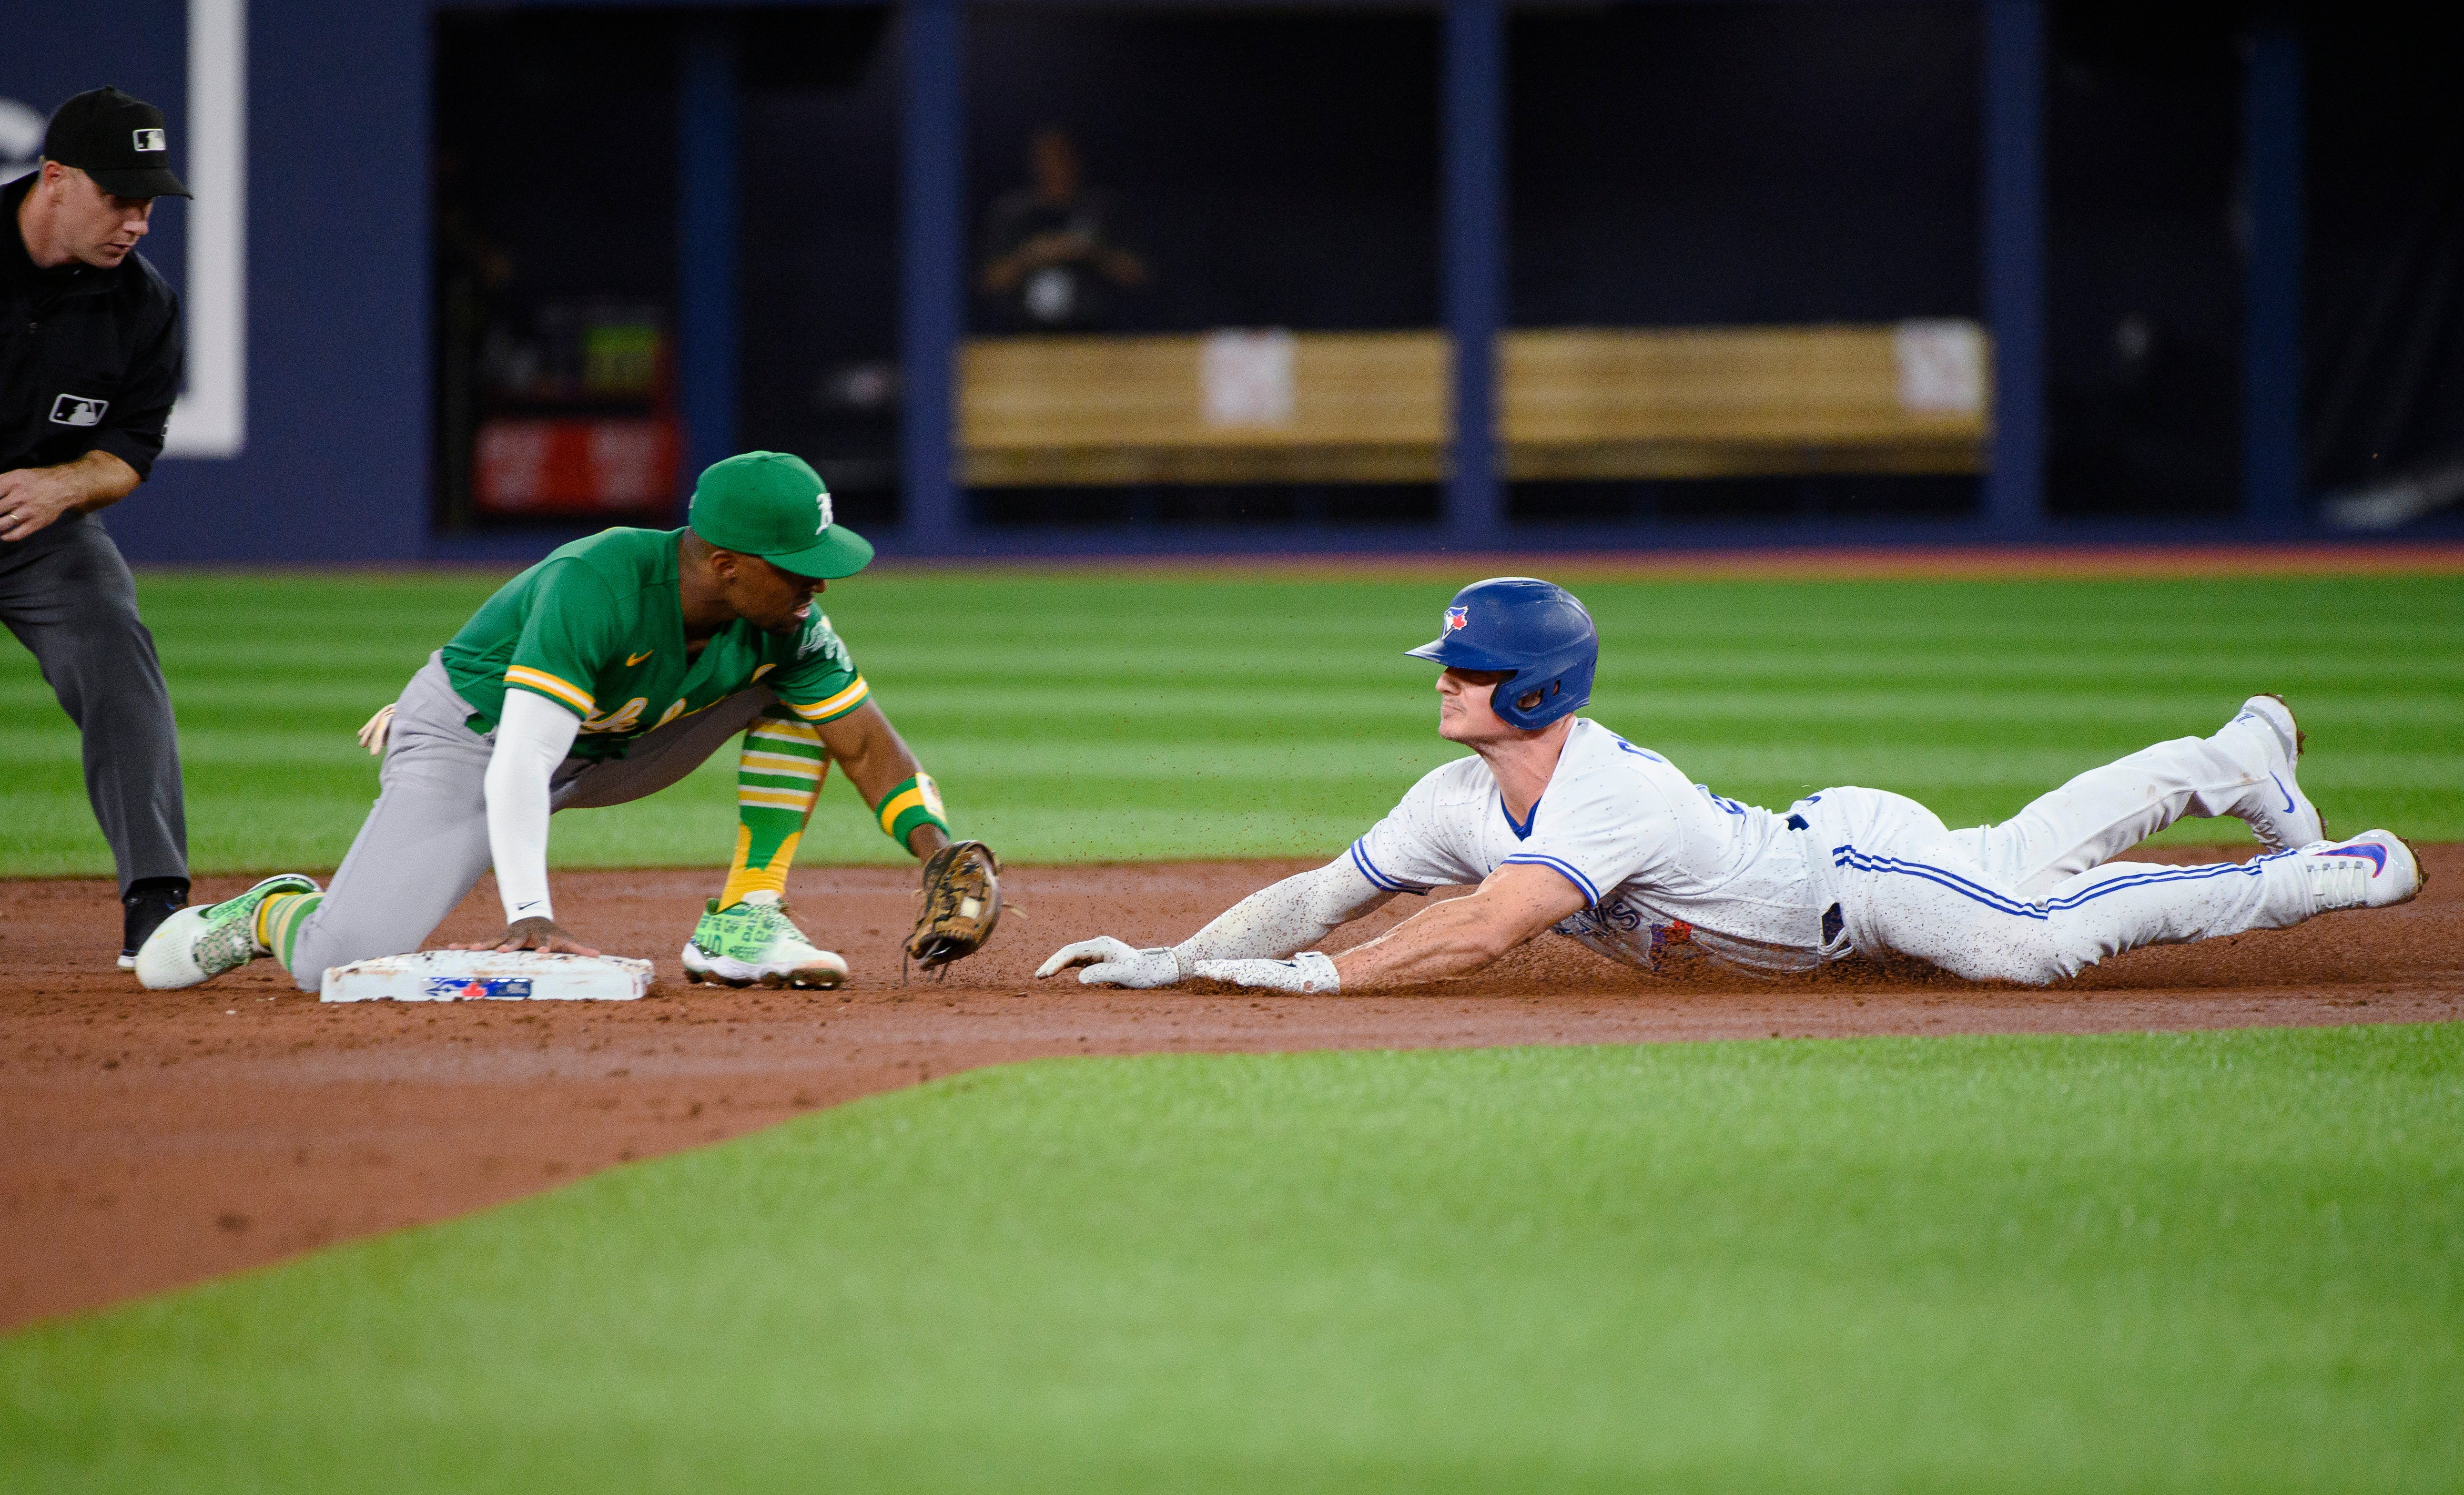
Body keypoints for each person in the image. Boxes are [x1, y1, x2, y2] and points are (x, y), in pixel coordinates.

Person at [1038, 577, 2423, 997]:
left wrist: (1325, 986)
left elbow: (1483, 929)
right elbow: (1322, 894)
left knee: (2025, 935)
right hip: (1833, 854)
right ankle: (2226, 759)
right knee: (2010, 855)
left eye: (1463, 673)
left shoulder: (1601, 796)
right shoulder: (1452, 804)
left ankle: (2333, 869)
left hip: (1850, 884)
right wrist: (1177, 959)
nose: (1439, 686)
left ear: (1528, 694)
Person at [135, 452, 996, 993]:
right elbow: (519, 760)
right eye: (798, 569)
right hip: (475, 741)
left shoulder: (788, 625)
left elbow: (864, 741)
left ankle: (744, 912)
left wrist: (940, 850)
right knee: (334, 960)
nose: (819, 586)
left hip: (616, 746)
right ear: (727, 566)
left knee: (799, 695)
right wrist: (531, 912)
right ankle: (269, 910)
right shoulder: (602, 581)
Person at [0, 86, 194, 966]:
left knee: (112, 637)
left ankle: (157, 897)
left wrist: (65, 486)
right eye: (119, 198)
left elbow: (130, 450)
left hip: (36, 533)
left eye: (149, 203)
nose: (137, 222)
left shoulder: (142, 307)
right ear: (56, 179)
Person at [976, 127, 1145, 332]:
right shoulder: (1012, 213)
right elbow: (989, 282)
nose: (1055, 169)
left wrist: (1090, 251)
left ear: (1076, 163)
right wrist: (1032, 255)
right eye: (1047, 162)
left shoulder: (1103, 209)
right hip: (1024, 339)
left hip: (1094, 337)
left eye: (1062, 160)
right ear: (1034, 166)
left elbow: (1137, 275)